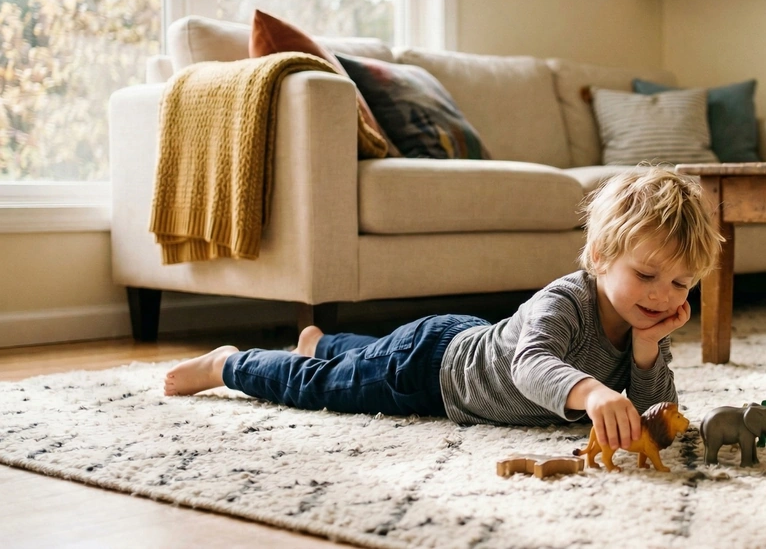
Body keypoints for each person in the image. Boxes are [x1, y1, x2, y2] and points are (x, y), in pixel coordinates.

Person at [163, 166, 724, 451]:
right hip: (429, 371)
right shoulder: (567, 300)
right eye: (646, 275)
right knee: (321, 386)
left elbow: (659, 419)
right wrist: (594, 391)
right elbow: (532, 366)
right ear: (600, 257)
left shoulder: (645, 321)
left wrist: (649, 352)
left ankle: (322, 339)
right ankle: (229, 364)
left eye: (681, 284)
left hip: (472, 345)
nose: (662, 296)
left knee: (353, 357)